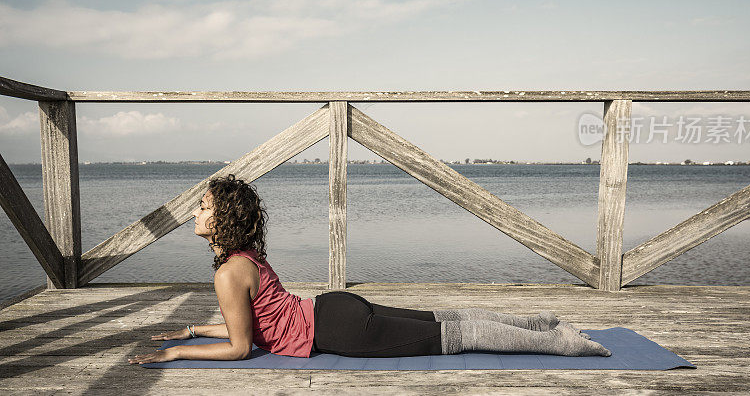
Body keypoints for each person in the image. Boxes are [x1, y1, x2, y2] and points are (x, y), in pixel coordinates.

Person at [129, 174, 610, 365]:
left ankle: (563, 343)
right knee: (443, 320)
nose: (195, 213)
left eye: (203, 206)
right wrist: (192, 329)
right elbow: (252, 326)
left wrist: (177, 355)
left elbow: (239, 346)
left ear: (222, 219)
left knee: (452, 337)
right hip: (334, 306)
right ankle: (544, 322)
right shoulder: (246, 258)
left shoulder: (227, 272)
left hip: (338, 328)